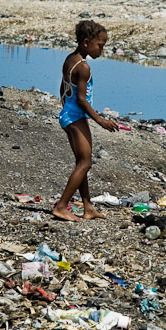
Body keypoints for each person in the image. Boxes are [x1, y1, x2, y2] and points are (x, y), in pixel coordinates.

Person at [53, 20, 119, 222]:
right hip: (75, 118)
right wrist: (100, 121)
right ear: (86, 42)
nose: (102, 50)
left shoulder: (70, 59)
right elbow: (81, 99)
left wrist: (67, 109)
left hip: (68, 114)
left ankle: (88, 206)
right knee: (85, 163)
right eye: (100, 45)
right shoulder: (83, 67)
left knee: (82, 162)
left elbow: (63, 90)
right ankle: (62, 206)